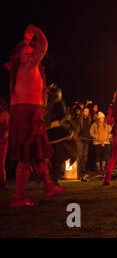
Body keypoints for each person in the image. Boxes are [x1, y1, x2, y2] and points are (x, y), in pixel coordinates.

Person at [4, 24, 64, 208]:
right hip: (26, 114)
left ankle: (45, 186)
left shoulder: (20, 71)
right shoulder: (29, 67)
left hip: (28, 113)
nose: (31, 56)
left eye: (31, 53)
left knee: (36, 155)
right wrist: (34, 32)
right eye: (27, 53)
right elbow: (43, 45)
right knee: (28, 156)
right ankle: (20, 197)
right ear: (20, 57)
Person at [45, 84, 81, 183]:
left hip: (49, 135)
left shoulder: (47, 105)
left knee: (58, 158)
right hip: (60, 132)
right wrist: (74, 127)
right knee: (76, 145)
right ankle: (72, 158)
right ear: (58, 94)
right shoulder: (59, 103)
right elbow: (66, 118)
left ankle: (54, 180)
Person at [75, 106, 92, 181]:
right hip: (80, 140)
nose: (87, 113)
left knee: (85, 156)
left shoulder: (89, 120)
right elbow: (77, 130)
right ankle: (78, 171)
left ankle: (83, 169)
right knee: (80, 156)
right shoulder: (79, 120)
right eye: (85, 111)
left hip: (86, 140)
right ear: (83, 112)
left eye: (88, 112)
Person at [0, 98, 9, 190]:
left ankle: (3, 183)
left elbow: (7, 128)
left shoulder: (4, 115)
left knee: (1, 164)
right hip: (2, 141)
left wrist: (5, 136)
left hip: (2, 142)